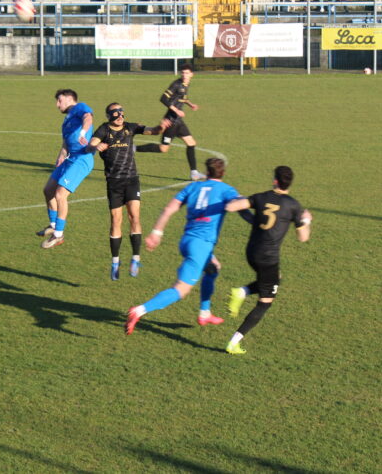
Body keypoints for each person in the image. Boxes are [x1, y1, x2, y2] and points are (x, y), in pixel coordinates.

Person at [125, 157, 242, 334]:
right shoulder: (226, 190)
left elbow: (169, 209)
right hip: (201, 245)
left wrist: (157, 232)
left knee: (213, 268)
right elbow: (240, 203)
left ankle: (205, 313)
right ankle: (139, 310)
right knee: (181, 289)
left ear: (207, 172)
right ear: (223, 172)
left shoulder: (193, 187)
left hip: (187, 240)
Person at [223, 165, 312, 355]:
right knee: (265, 302)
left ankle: (244, 290)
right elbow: (303, 238)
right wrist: (306, 220)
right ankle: (234, 341)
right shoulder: (293, 205)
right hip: (268, 258)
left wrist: (247, 204)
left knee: (274, 278)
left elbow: (231, 206)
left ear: (275, 181)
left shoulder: (260, 197)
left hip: (251, 252)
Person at [86, 103, 169, 279]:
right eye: (116, 113)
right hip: (114, 183)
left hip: (131, 180)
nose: (120, 115)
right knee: (116, 220)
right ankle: (115, 262)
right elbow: (90, 144)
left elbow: (153, 131)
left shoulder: (131, 127)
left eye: (122, 112)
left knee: (134, 216)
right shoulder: (103, 130)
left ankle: (135, 258)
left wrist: (162, 127)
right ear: (110, 116)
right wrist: (95, 147)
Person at [37, 89, 94, 249]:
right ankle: (53, 225)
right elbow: (65, 143)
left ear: (69, 99)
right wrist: (61, 156)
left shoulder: (80, 107)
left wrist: (83, 132)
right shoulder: (67, 119)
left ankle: (58, 235)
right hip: (69, 159)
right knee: (48, 190)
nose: (57, 105)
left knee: (60, 195)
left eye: (59, 101)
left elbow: (88, 118)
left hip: (81, 159)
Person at [135, 64, 206, 181]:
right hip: (171, 122)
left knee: (191, 143)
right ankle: (133, 148)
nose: (184, 75)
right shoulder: (176, 84)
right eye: (182, 73)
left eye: (187, 73)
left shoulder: (186, 84)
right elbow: (163, 98)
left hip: (179, 121)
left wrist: (190, 104)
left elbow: (182, 97)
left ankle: (194, 173)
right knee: (163, 149)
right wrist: (177, 110)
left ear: (192, 74)